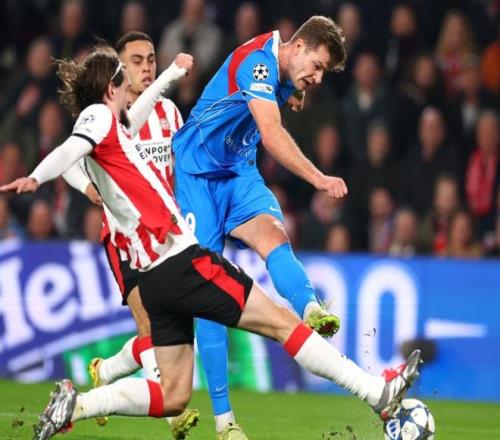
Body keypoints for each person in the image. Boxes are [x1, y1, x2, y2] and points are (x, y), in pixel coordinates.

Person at [0, 45, 421, 440]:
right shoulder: (98, 117)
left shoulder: (118, 128)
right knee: (281, 322)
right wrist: (36, 177)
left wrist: (169, 76)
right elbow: (71, 147)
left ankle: (76, 406)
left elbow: (129, 116)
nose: (130, 83)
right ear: (111, 87)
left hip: (155, 279)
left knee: (173, 396)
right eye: (123, 77)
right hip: (180, 261)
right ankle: (377, 393)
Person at [172, 17, 347, 437]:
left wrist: (294, 92)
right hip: (197, 175)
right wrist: (319, 178)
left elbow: (279, 94)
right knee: (209, 292)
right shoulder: (259, 63)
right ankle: (224, 422)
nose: (318, 78)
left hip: (238, 171)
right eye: (318, 66)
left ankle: (310, 309)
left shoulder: (285, 71)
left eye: (323, 72)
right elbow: (270, 132)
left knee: (274, 236)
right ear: (299, 46)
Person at [62, 32, 199, 439]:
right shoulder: (105, 116)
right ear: (119, 69)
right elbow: (68, 161)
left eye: (151, 59)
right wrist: (88, 188)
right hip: (124, 238)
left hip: (166, 240)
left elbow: (180, 169)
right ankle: (174, 415)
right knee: (150, 328)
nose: (146, 67)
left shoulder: (170, 113)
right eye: (136, 61)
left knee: (162, 333)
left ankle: (105, 370)